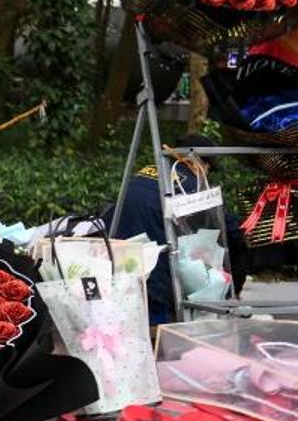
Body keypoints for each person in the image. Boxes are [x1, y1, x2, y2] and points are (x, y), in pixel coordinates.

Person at [103, 133, 249, 326]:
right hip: (156, 281)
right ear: (199, 163)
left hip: (120, 267)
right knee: (165, 341)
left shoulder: (147, 172)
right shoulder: (189, 184)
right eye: (209, 169)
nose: (207, 175)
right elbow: (230, 229)